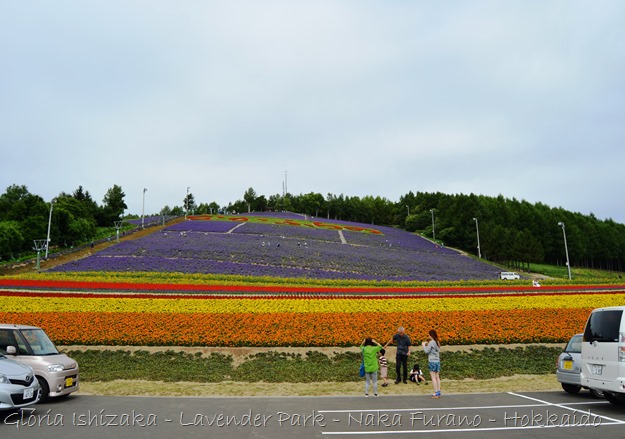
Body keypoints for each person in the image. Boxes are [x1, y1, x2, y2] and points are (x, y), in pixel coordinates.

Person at [422, 329, 441, 398]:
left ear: (431, 335)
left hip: (432, 361)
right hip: (437, 361)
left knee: (433, 377)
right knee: (437, 377)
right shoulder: (437, 342)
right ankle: (438, 392)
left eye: (429, 335)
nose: (428, 336)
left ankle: (436, 393)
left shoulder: (431, 342)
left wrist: (424, 345)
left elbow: (426, 351)